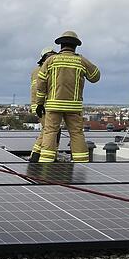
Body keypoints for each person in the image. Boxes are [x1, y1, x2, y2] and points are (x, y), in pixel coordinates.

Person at [36, 31, 100, 163]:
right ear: (75, 46)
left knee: (50, 132)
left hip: (53, 105)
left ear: (61, 45)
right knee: (76, 133)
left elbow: (41, 83)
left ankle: (45, 163)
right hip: (73, 106)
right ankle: (81, 163)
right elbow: (95, 77)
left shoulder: (51, 61)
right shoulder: (80, 61)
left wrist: (39, 103)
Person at [29, 46, 55, 162]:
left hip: (38, 105)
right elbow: (41, 89)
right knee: (52, 131)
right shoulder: (44, 70)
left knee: (46, 130)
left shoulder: (36, 71)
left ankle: (35, 155)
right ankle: (46, 157)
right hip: (42, 105)